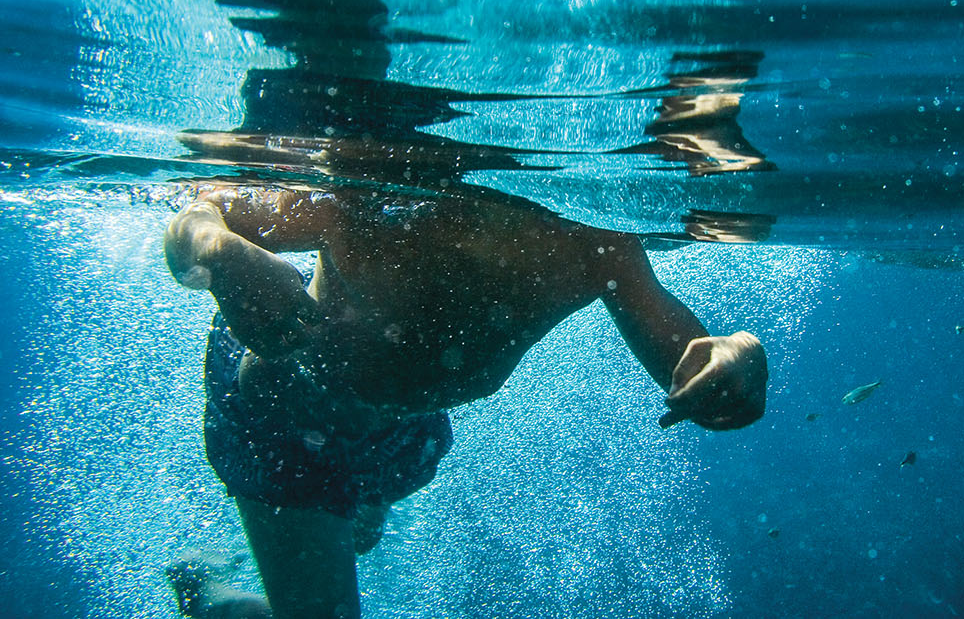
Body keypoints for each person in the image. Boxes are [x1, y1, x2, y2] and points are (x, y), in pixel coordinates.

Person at [164, 179, 768, 619]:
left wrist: (741, 357)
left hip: (403, 435)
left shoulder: (597, 245)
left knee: (341, 545)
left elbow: (694, 359)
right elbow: (198, 214)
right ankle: (212, 596)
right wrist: (221, 253)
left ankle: (311, 541)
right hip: (282, 420)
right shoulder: (371, 194)